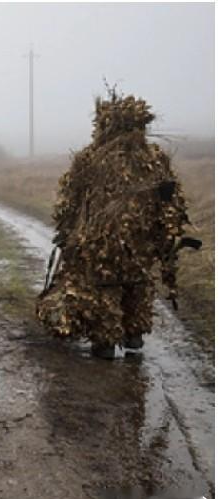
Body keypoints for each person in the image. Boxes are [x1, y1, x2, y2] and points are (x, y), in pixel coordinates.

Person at [36, 90, 194, 359]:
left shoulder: (90, 158)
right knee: (138, 283)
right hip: (142, 240)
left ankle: (106, 342)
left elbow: (71, 200)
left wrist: (66, 230)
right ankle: (134, 333)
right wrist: (166, 232)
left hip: (102, 240)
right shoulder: (155, 159)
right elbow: (171, 201)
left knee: (104, 286)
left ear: (105, 126)